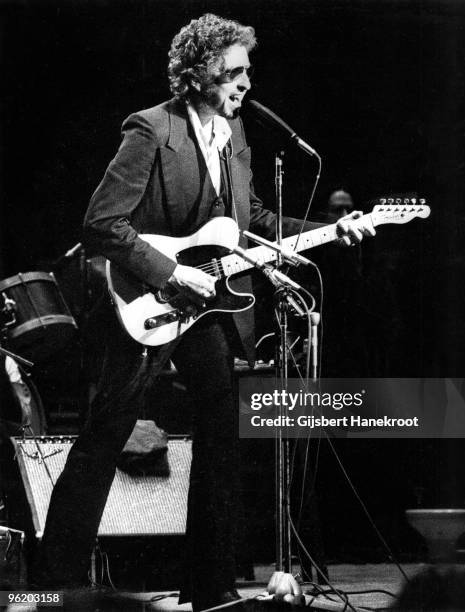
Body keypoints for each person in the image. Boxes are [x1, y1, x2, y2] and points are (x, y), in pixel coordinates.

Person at [32, 14, 373, 610]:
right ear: (197, 74)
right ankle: (54, 589)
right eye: (233, 71)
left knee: (222, 429)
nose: (245, 83)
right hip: (141, 301)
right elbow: (101, 224)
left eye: (248, 70)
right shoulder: (150, 129)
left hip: (208, 306)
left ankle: (210, 587)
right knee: (105, 437)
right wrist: (169, 273)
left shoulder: (235, 137)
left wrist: (329, 230)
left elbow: (255, 226)